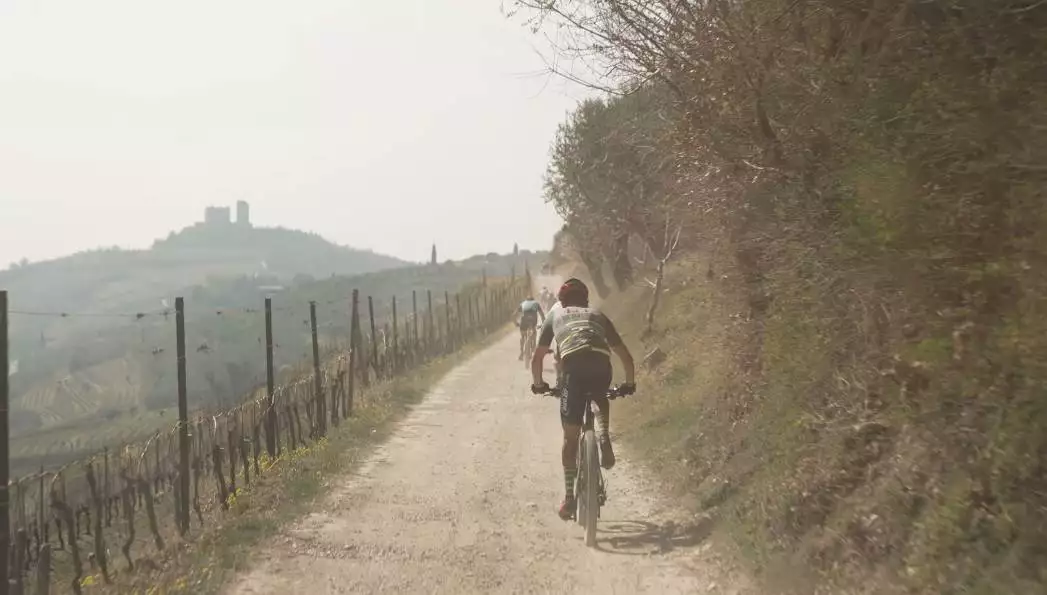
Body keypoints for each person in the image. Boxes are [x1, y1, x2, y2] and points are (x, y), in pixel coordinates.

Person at [530, 278, 635, 520]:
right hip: (600, 364)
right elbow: (625, 356)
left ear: (562, 301)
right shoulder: (598, 315)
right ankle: (604, 435)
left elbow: (537, 359)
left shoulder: (555, 316)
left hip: (573, 368)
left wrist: (538, 384)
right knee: (599, 393)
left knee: (570, 439)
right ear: (586, 299)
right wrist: (629, 384)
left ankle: (569, 499)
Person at [515, 295, 545, 361]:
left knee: (523, 336)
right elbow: (542, 314)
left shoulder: (522, 303)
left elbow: (515, 314)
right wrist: (543, 323)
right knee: (534, 332)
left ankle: (521, 353)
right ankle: (533, 346)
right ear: (533, 300)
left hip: (524, 321)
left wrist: (516, 322)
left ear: (526, 300)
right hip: (533, 320)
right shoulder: (536, 303)